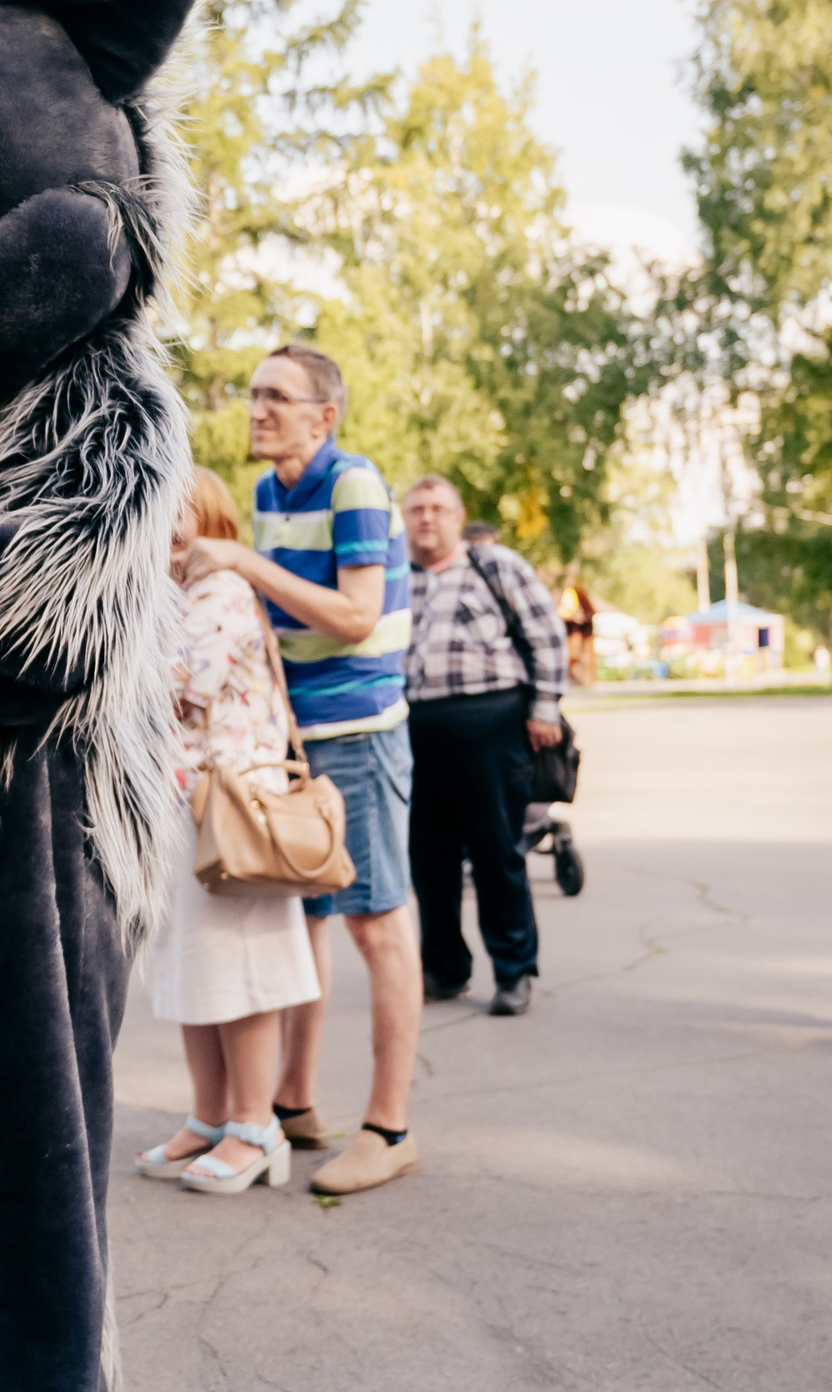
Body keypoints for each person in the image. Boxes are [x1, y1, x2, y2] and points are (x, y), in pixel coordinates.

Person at [179, 342, 423, 1196]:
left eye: (278, 397)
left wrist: (244, 562)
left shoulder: (351, 481)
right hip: (295, 742)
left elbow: (356, 617)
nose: (257, 410)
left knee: (376, 922)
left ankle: (390, 1126)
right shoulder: (266, 492)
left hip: (358, 729)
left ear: (326, 416)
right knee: (304, 921)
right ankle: (292, 1101)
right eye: (253, 395)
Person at [135, 468, 319, 1194]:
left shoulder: (222, 595)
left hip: (232, 811)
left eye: (191, 514)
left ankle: (255, 1125)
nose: (176, 529)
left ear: (218, 524)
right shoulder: (171, 598)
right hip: (189, 811)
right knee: (191, 967)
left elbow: (180, 687)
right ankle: (210, 1116)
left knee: (237, 970)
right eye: (164, 514)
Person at [398, 476, 568, 1017]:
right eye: (417, 509)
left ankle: (514, 971)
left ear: (458, 516)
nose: (427, 518)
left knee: (497, 853)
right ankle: (444, 969)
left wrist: (545, 709)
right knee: (429, 859)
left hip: (490, 722)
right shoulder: (392, 576)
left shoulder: (495, 566)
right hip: (414, 726)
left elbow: (546, 634)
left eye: (438, 509)